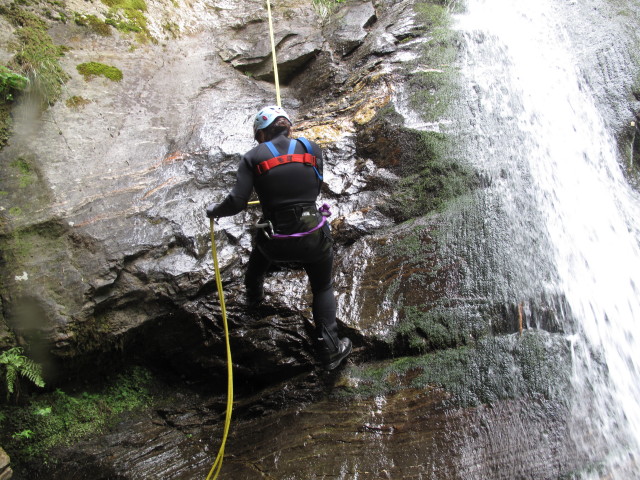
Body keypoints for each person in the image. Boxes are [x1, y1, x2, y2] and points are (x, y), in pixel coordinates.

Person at [206, 105, 352, 370]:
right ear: (288, 127)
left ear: (261, 133)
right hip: (312, 236)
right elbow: (315, 186)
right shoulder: (312, 149)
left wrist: (214, 212)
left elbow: (237, 202)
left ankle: (253, 297)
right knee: (322, 286)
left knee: (259, 243)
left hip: (274, 243)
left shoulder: (252, 157)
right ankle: (330, 349)